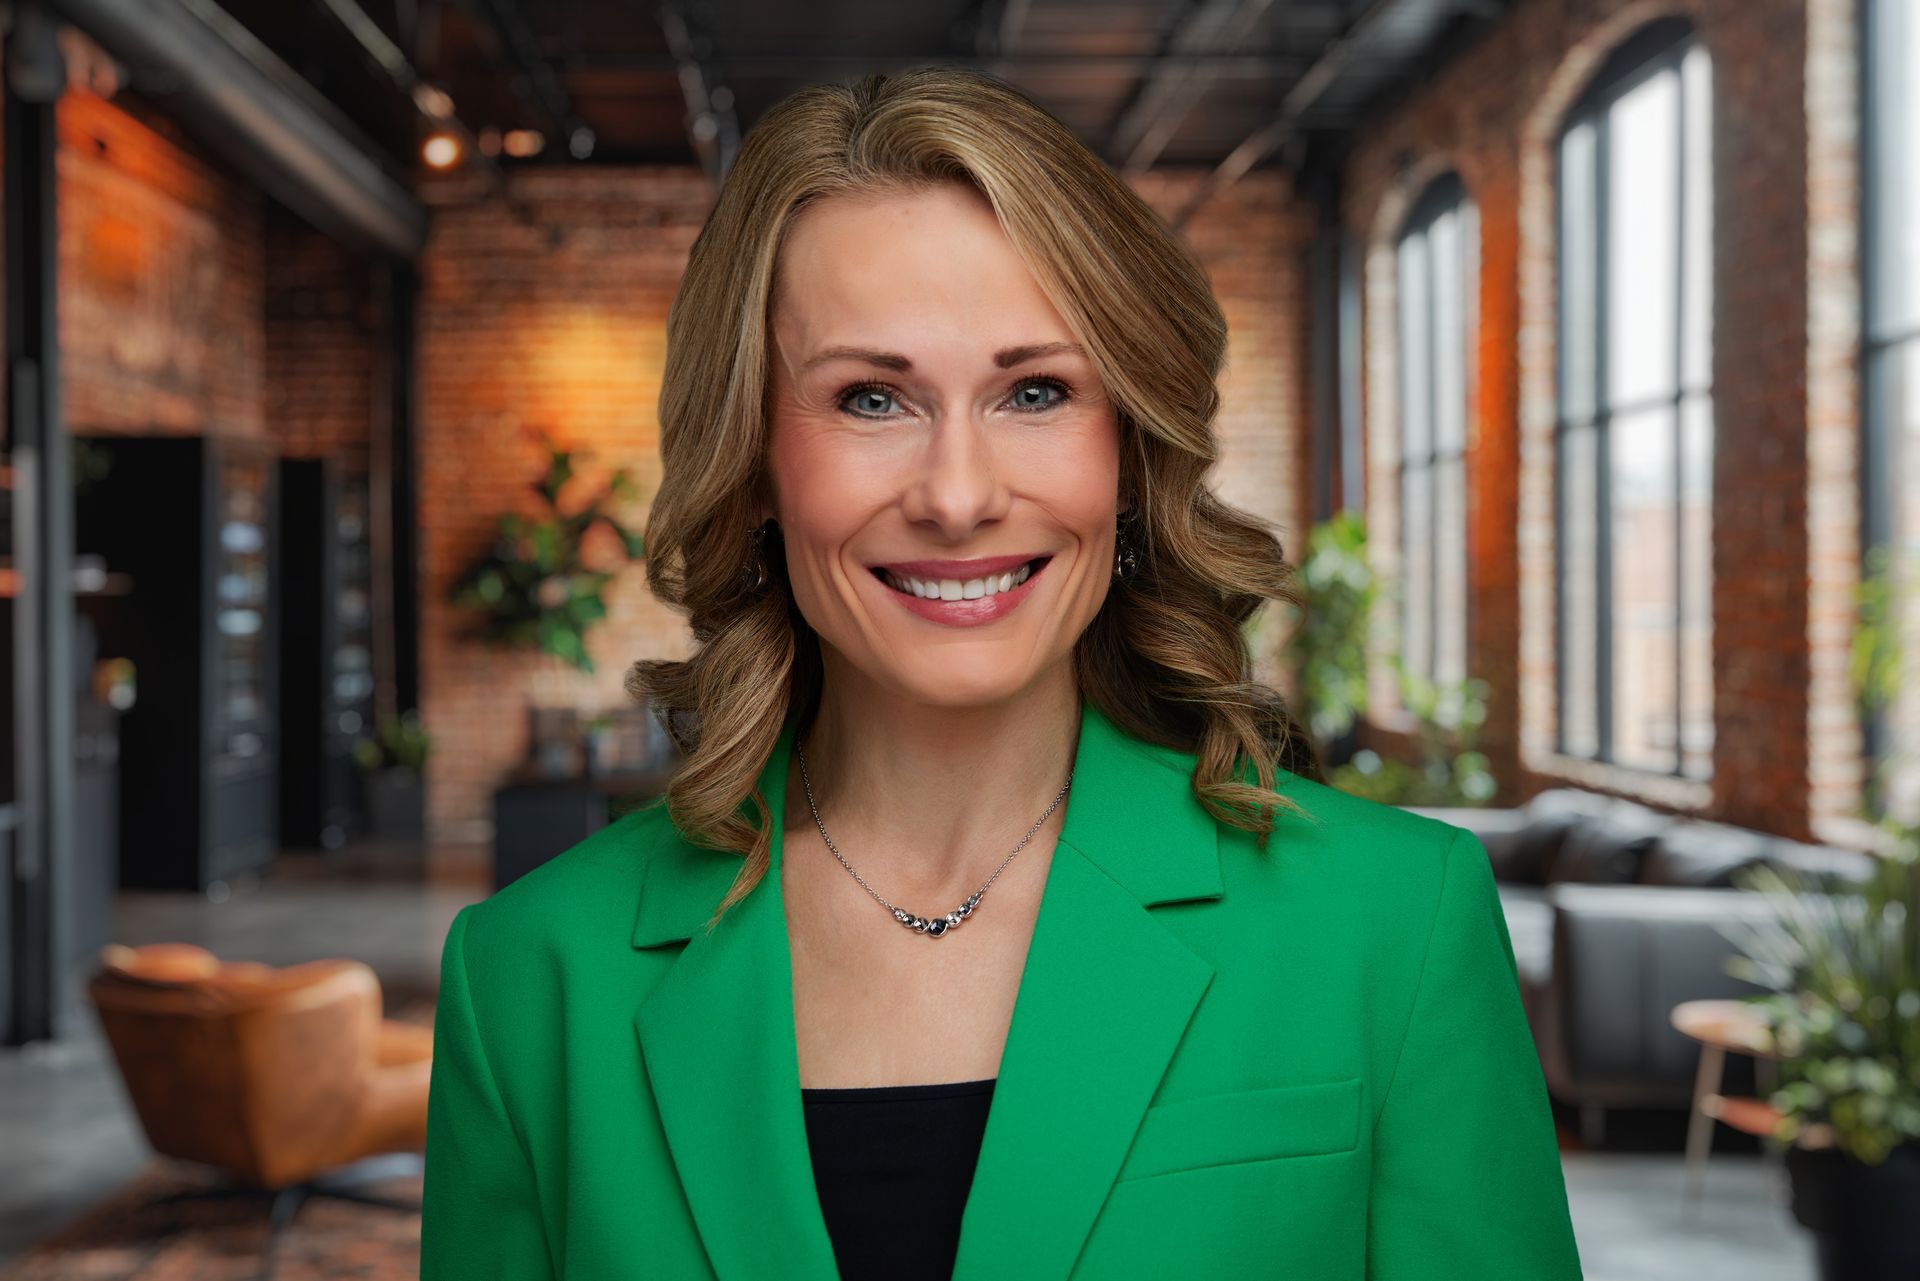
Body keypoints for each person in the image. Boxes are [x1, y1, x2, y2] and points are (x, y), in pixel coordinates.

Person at [419, 65, 1583, 1281]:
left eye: (1036, 391)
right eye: (871, 398)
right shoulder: (529, 982)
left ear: (1128, 449)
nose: (960, 496)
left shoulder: (1391, 928)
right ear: (756, 463)